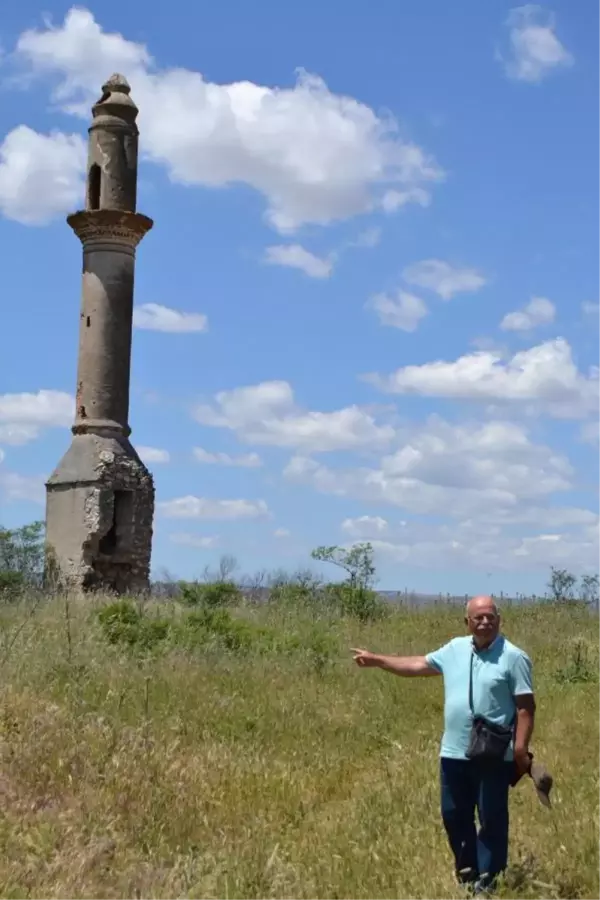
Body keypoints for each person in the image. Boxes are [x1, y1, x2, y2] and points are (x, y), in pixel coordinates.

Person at [352, 595, 536, 895]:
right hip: (453, 753)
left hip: (493, 753)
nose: (485, 622)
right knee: (454, 815)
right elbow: (418, 664)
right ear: (467, 622)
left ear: (499, 620)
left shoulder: (514, 657)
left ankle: (488, 884)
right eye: (478, 617)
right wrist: (378, 661)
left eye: (490, 616)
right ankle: (468, 877)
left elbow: (526, 707)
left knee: (491, 819)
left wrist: (519, 749)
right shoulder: (455, 649)